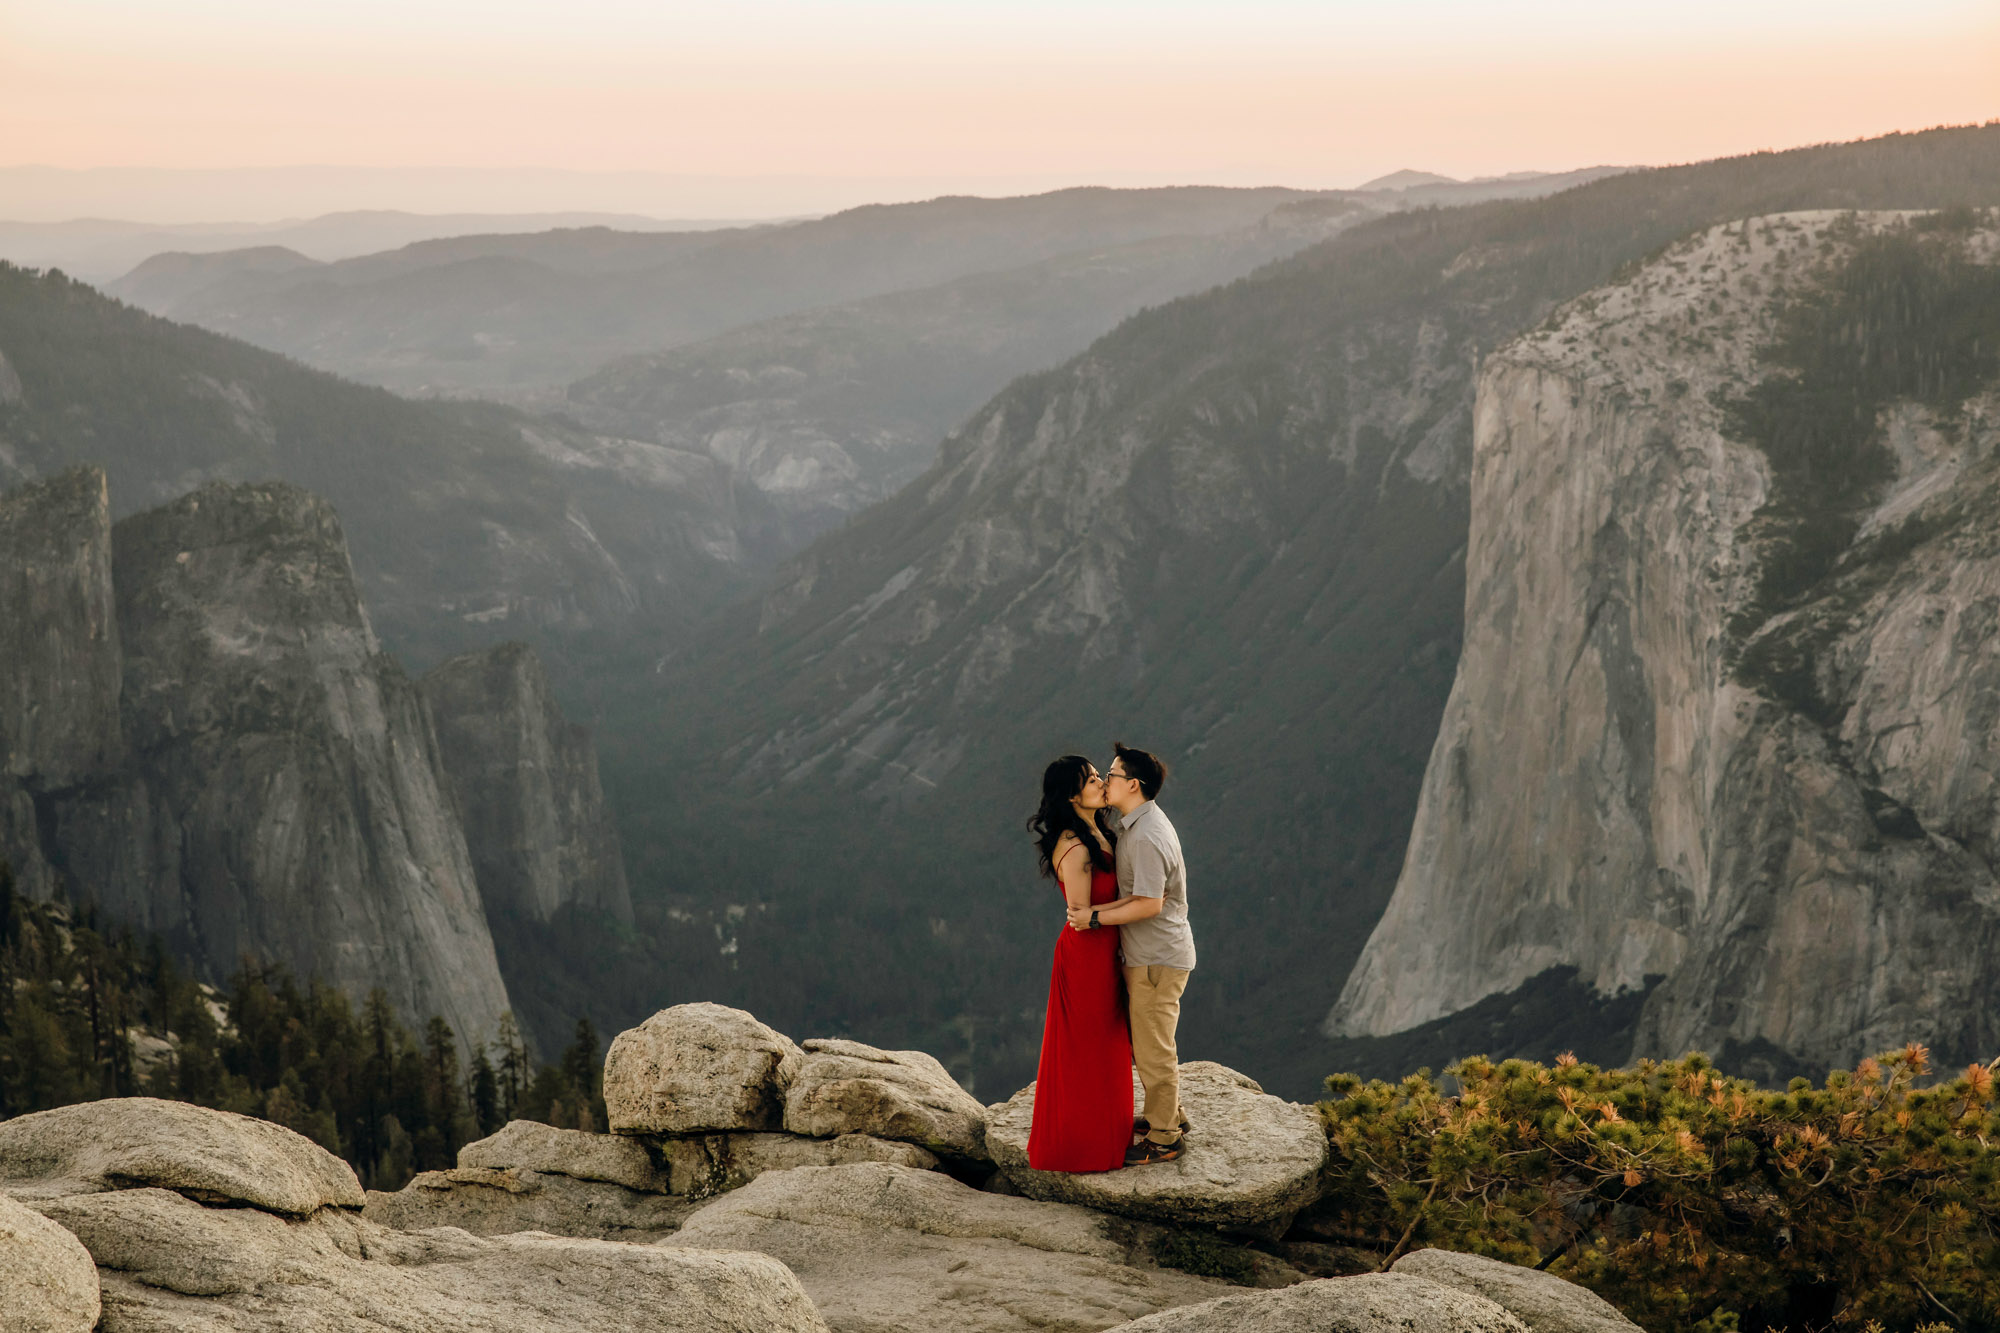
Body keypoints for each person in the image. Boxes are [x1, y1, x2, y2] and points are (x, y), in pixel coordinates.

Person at [1068, 741, 1194, 1166]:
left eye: (1113, 774)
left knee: (1154, 1047)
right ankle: (1169, 1114)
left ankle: (1165, 1138)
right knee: (1147, 1043)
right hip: (1151, 954)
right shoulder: (1137, 824)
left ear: (1133, 784)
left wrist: (1094, 917)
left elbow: (1149, 903)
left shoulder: (1145, 837)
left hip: (1157, 957)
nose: (1106, 780)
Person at [1023, 755, 1133, 1172]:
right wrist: (1144, 907)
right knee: (1091, 1049)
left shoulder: (1097, 831)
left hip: (1105, 951)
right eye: (1091, 779)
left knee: (1108, 1044)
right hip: (1087, 957)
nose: (1102, 781)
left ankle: (1110, 1133)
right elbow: (1082, 914)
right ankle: (1085, 1147)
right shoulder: (1074, 845)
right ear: (1072, 795)